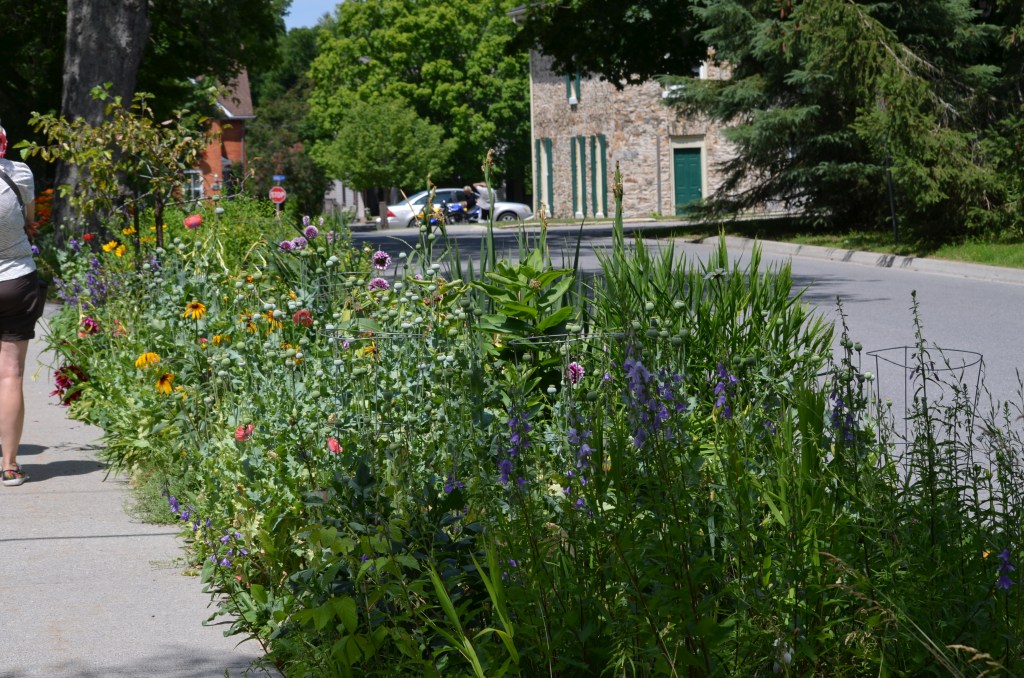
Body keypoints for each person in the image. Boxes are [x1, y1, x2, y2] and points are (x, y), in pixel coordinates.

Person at [0, 124, 46, 487]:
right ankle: (11, 465)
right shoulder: (20, 172)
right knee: (10, 375)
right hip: (16, 281)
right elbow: (29, 219)